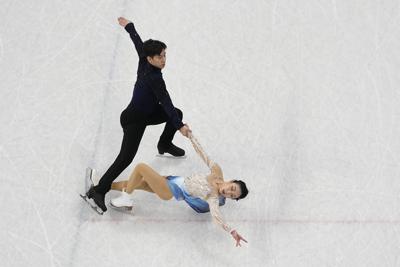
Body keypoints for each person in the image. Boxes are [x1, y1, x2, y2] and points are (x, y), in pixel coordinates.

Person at [86, 17, 191, 213]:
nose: (163, 60)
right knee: (126, 158)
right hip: (133, 119)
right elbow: (166, 102)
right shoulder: (155, 79)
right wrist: (180, 126)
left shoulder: (144, 57)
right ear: (150, 58)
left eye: (164, 55)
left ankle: (164, 144)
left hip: (148, 113)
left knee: (176, 113)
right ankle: (98, 191)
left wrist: (129, 26)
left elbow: (137, 42)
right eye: (160, 57)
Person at [109, 133, 249, 247]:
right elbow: (203, 154)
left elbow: (217, 216)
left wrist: (231, 231)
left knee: (141, 168)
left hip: (170, 190)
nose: (228, 192)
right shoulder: (217, 171)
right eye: (232, 188)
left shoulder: (213, 197)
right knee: (137, 182)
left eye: (232, 195)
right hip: (173, 179)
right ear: (231, 181)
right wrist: (190, 136)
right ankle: (104, 186)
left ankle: (126, 199)